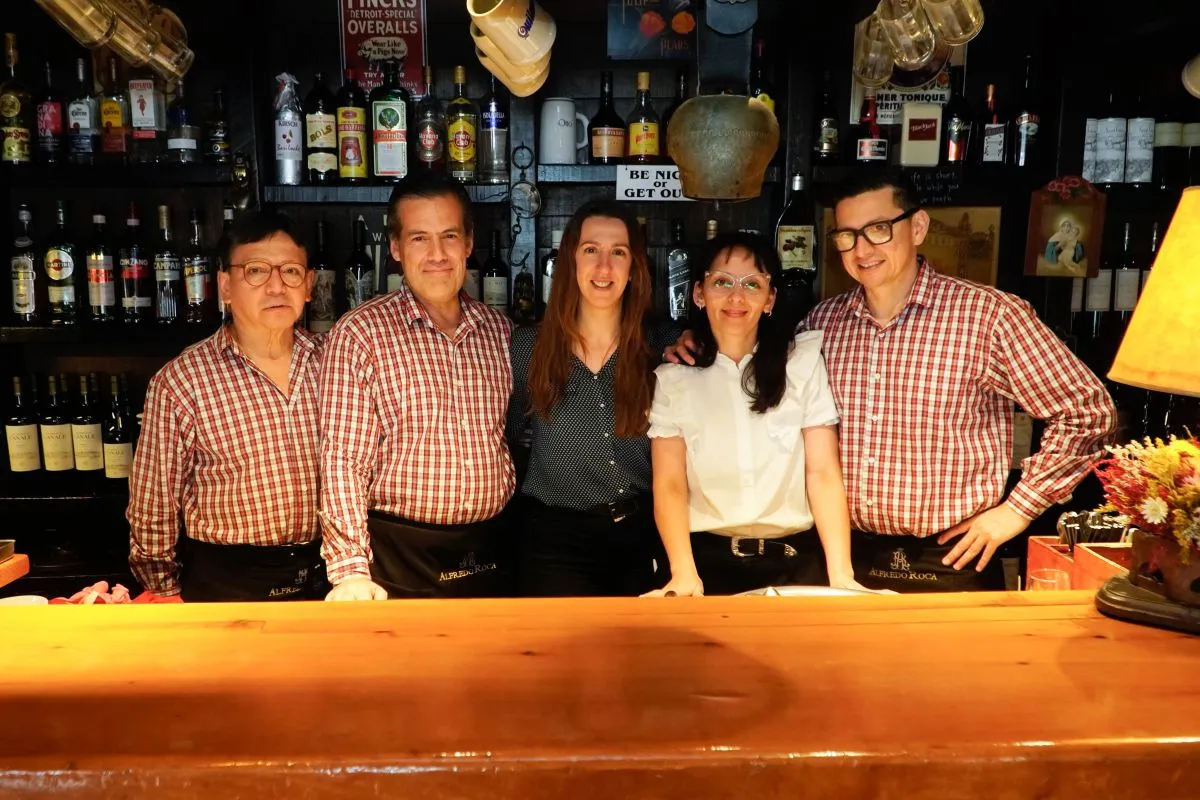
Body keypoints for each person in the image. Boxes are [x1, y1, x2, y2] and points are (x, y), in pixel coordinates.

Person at [668, 168, 1116, 592]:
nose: (862, 250)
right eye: (847, 236)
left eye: (878, 229)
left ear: (917, 227)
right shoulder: (822, 326)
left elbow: (1088, 412)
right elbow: (745, 358)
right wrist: (695, 342)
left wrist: (1017, 511)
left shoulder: (990, 316)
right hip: (841, 556)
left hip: (949, 558)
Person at [319, 170, 515, 600]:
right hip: (397, 560)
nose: (437, 254)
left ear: (468, 243)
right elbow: (344, 462)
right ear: (395, 248)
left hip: (492, 552)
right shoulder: (361, 334)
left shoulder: (501, 333)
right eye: (419, 238)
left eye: (449, 236)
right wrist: (350, 572)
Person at [644, 231, 860, 597]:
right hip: (704, 566)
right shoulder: (673, 379)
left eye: (752, 284)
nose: (736, 297)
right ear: (699, 293)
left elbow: (822, 473)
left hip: (794, 564)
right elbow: (670, 485)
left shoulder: (802, 363)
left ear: (769, 298)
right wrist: (683, 573)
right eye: (722, 282)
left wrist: (841, 574)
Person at [127, 210, 327, 602]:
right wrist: (164, 589)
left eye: (290, 271)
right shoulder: (181, 381)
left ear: (308, 286)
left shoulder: (337, 363)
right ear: (225, 286)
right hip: (228, 582)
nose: (276, 286)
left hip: (327, 578)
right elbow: (153, 505)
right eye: (256, 271)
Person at [508, 199, 677, 597]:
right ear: (570, 261)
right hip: (553, 544)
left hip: (643, 537)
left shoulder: (663, 345)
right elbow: (511, 439)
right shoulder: (527, 347)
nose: (604, 268)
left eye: (618, 253)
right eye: (590, 251)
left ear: (634, 267)